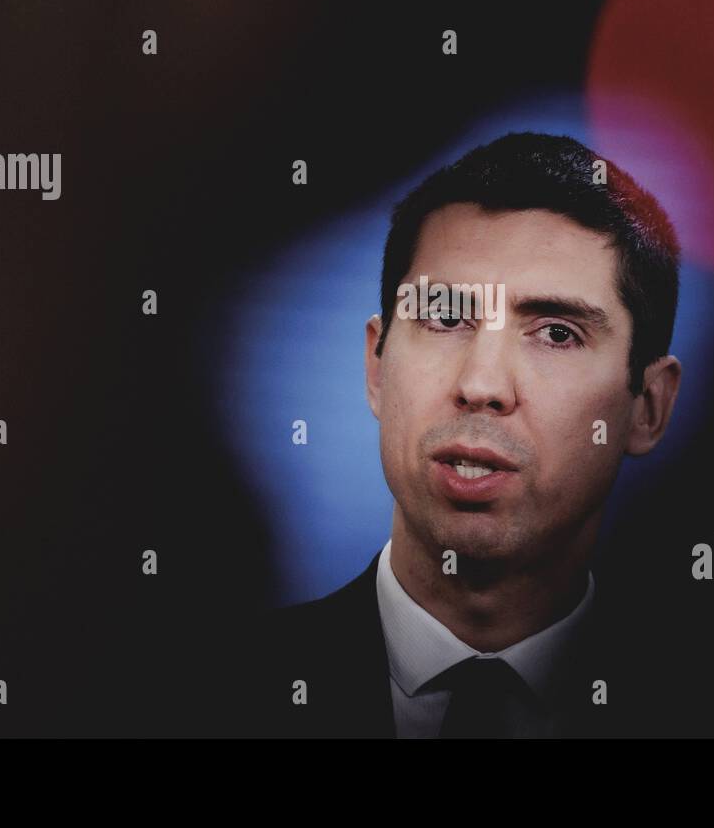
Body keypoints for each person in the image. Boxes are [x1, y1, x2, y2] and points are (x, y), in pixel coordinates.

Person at [246, 131, 683, 738]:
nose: (481, 385)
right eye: (446, 317)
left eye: (557, 333)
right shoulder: (193, 698)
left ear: (648, 407)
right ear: (377, 366)